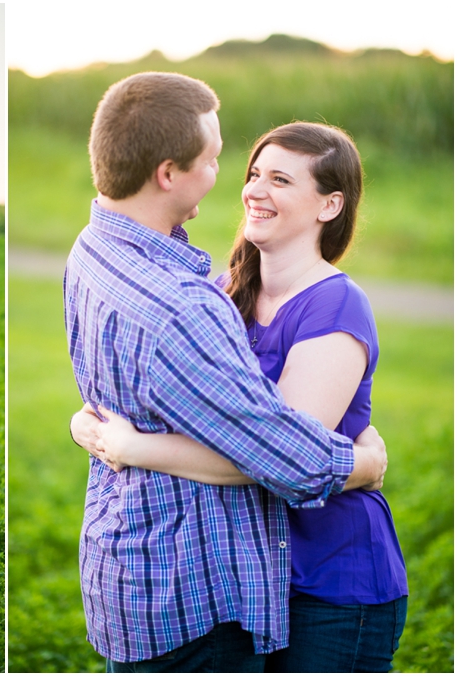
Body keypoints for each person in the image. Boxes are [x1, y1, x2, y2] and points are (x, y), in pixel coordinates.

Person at [62, 71, 388, 672]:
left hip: (328, 574)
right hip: (254, 574)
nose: (250, 189)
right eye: (248, 172)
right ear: (169, 173)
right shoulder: (215, 293)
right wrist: (104, 431)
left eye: (280, 179)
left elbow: (285, 458)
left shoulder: (334, 306)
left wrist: (131, 445)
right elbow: (274, 449)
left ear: (330, 204)